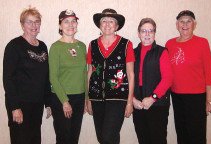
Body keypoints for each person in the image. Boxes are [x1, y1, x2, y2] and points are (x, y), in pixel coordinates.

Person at [3, 7, 51, 144]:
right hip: (20, 105)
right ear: (22, 25)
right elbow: (8, 78)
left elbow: (45, 76)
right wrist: (14, 107)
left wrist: (47, 102)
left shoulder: (42, 46)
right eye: (29, 22)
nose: (33, 25)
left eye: (36, 22)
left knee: (35, 139)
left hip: (37, 104)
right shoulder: (14, 46)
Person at [165, 10, 211, 144]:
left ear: (194, 24)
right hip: (176, 95)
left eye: (189, 21)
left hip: (196, 97)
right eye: (182, 21)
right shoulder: (169, 44)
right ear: (177, 25)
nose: (185, 24)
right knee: (181, 132)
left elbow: (209, 73)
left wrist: (209, 100)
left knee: (196, 134)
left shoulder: (202, 42)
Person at [86, 8, 135, 144]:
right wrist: (88, 99)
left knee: (109, 137)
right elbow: (90, 73)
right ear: (100, 25)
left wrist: (129, 102)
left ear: (117, 26)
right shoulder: (92, 45)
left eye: (111, 21)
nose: (107, 24)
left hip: (117, 98)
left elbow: (131, 75)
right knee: (102, 138)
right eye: (104, 21)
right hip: (96, 98)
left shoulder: (126, 45)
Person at [48, 9, 87, 144]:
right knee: (63, 138)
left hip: (79, 98)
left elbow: (85, 74)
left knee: (74, 138)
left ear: (77, 24)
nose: (70, 24)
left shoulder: (82, 46)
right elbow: (53, 77)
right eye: (66, 22)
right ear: (60, 26)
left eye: (73, 21)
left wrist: (86, 100)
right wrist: (65, 101)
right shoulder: (55, 47)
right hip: (61, 98)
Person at [132, 18, 173, 144]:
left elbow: (168, 79)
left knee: (158, 139)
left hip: (158, 105)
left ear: (155, 33)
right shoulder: (132, 53)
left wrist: (152, 98)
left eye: (151, 31)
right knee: (143, 139)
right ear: (139, 33)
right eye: (144, 31)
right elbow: (127, 79)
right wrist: (132, 99)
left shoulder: (162, 52)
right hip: (138, 104)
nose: (147, 34)